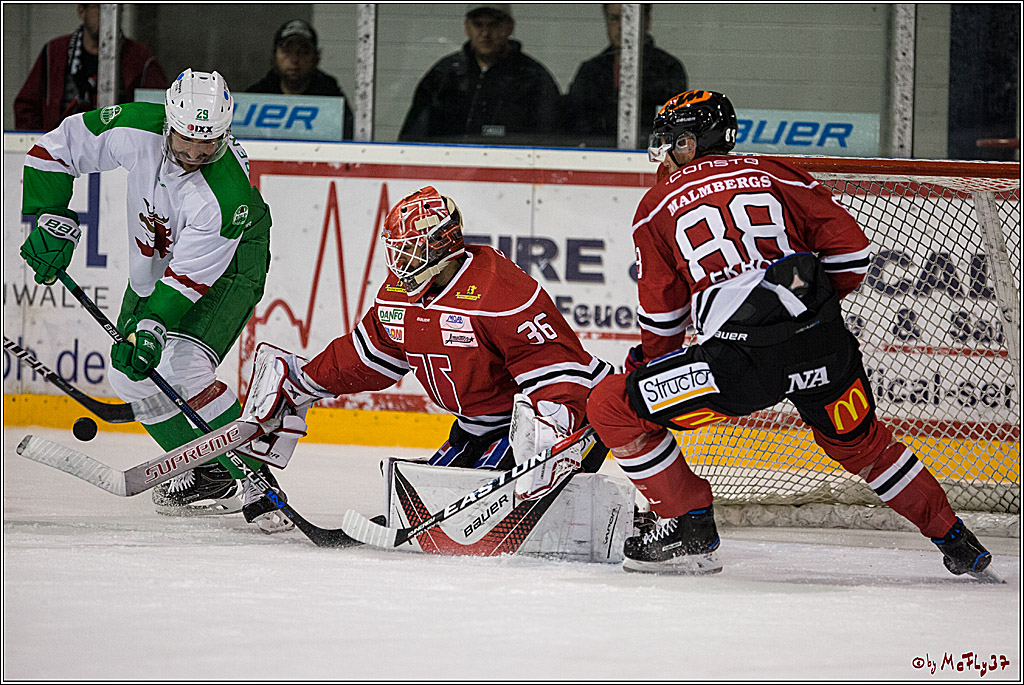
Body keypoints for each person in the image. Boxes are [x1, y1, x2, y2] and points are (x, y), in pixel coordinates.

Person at [586, 90, 997, 578]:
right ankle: (957, 540)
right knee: (866, 447)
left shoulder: (657, 205)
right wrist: (805, 312)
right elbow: (853, 254)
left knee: (611, 405)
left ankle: (689, 524)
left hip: (738, 368)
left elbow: (662, 316)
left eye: (668, 143)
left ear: (689, 143)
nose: (663, 156)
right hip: (824, 349)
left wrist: (650, 366)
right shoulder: (778, 172)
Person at [19, 68, 286, 532]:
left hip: (231, 260)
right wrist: (49, 216)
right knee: (130, 376)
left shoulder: (225, 196)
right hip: (159, 258)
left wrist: (152, 326)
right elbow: (55, 149)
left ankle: (256, 480)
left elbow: (188, 280)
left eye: (210, 143)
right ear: (169, 121)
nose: (196, 153)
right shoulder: (135, 128)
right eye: (187, 139)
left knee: (182, 366)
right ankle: (209, 473)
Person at [243, 186, 614, 506]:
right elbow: (367, 355)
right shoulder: (398, 295)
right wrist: (304, 382)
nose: (400, 263)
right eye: (396, 252)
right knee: (425, 502)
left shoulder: (499, 291)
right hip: (476, 428)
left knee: (480, 506)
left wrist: (553, 434)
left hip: (568, 418)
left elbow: (556, 368)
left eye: (410, 251)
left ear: (441, 246)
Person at [398, 4, 561, 145]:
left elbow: (552, 142)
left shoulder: (533, 78)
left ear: (510, 27)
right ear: (466, 27)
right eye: (478, 25)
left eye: (493, 25)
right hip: (448, 168)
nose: (485, 34)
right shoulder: (443, 75)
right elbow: (413, 138)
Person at [14, 3, 169, 131]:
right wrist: (41, 141)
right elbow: (26, 106)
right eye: (99, 7)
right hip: (63, 148)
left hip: (117, 150)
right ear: (81, 11)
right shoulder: (54, 52)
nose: (107, 14)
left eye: (115, 8)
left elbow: (158, 110)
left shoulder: (140, 58)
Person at [562, 4, 687, 148]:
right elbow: (573, 125)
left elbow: (670, 129)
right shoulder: (590, 71)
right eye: (614, 19)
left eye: (629, 19)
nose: (622, 27)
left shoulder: (668, 69)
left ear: (646, 20)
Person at [246, 19, 354, 140]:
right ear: (274, 55)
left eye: (303, 52)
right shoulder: (257, 95)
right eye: (287, 52)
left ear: (316, 57)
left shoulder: (330, 95)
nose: (294, 59)